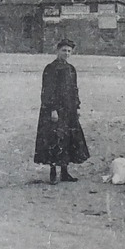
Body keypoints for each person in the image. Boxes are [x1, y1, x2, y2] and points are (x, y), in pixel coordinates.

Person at [34, 38, 90, 183]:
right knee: (54, 139)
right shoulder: (50, 68)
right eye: (63, 50)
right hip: (54, 110)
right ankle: (53, 172)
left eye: (69, 51)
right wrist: (52, 109)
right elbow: (47, 91)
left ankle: (64, 172)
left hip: (69, 109)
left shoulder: (71, 69)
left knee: (68, 139)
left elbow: (74, 89)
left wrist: (77, 107)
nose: (66, 53)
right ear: (57, 51)